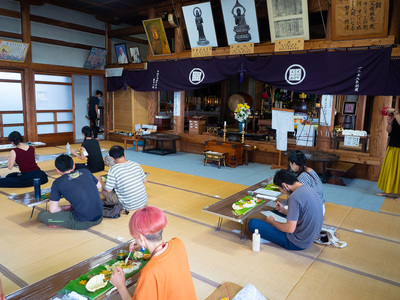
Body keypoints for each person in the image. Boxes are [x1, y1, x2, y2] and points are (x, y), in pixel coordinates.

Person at [110, 206, 197, 300]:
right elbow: (162, 253)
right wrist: (143, 246)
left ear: (142, 238)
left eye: (135, 238)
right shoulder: (178, 243)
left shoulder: (149, 272)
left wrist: (121, 286)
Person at [248, 169, 323, 250]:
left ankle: (268, 234)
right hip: (309, 238)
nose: (283, 192)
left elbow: (290, 229)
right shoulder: (308, 189)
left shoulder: (294, 197)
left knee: (253, 223)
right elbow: (303, 214)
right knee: (275, 212)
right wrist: (284, 211)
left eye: (281, 189)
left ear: (285, 185)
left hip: (296, 243)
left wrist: (273, 222)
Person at [37, 154, 103, 230]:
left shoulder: (58, 182)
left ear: (57, 170)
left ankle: (61, 223)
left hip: (82, 222)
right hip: (100, 217)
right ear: (73, 165)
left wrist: (64, 207)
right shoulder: (86, 171)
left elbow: (53, 210)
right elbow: (99, 186)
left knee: (42, 215)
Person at [101, 145, 147, 210]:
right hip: (142, 202)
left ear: (112, 158)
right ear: (124, 155)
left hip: (127, 205)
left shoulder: (113, 169)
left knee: (104, 191)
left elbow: (108, 190)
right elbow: (145, 181)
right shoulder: (135, 164)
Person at [288, 150, 326, 215]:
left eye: (290, 164)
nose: (290, 166)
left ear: (294, 164)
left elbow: (301, 200)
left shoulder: (301, 178)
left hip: (315, 211)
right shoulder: (310, 170)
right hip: (321, 207)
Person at [377, 103, 400, 200]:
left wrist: (395, 112)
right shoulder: (396, 115)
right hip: (393, 145)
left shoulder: (397, 114)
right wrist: (390, 122)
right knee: (390, 169)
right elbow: (389, 131)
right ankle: (389, 191)